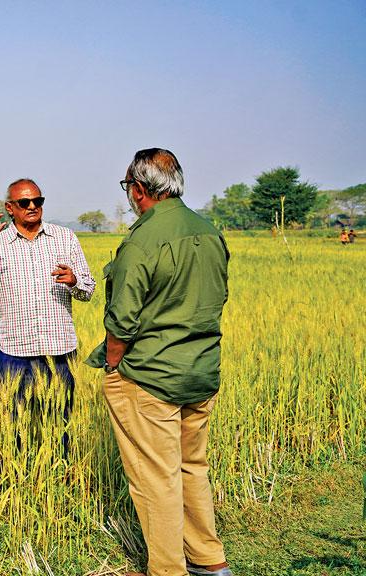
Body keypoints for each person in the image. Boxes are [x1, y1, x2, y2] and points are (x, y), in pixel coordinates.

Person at [86, 148, 233, 576]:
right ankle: (209, 560)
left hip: (148, 376)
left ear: (138, 189)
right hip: (201, 371)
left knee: (156, 479)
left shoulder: (142, 239)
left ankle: (167, 570)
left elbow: (122, 320)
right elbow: (216, 297)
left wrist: (114, 365)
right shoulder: (208, 231)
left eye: (126, 188)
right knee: (193, 468)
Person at [0, 178, 95, 455]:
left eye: (38, 201)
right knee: (16, 426)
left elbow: (88, 290)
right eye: (24, 202)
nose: (32, 206)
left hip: (59, 350)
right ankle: (22, 479)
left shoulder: (65, 238)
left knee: (61, 424)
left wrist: (74, 281)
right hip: (14, 352)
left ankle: (61, 477)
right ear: (10, 207)